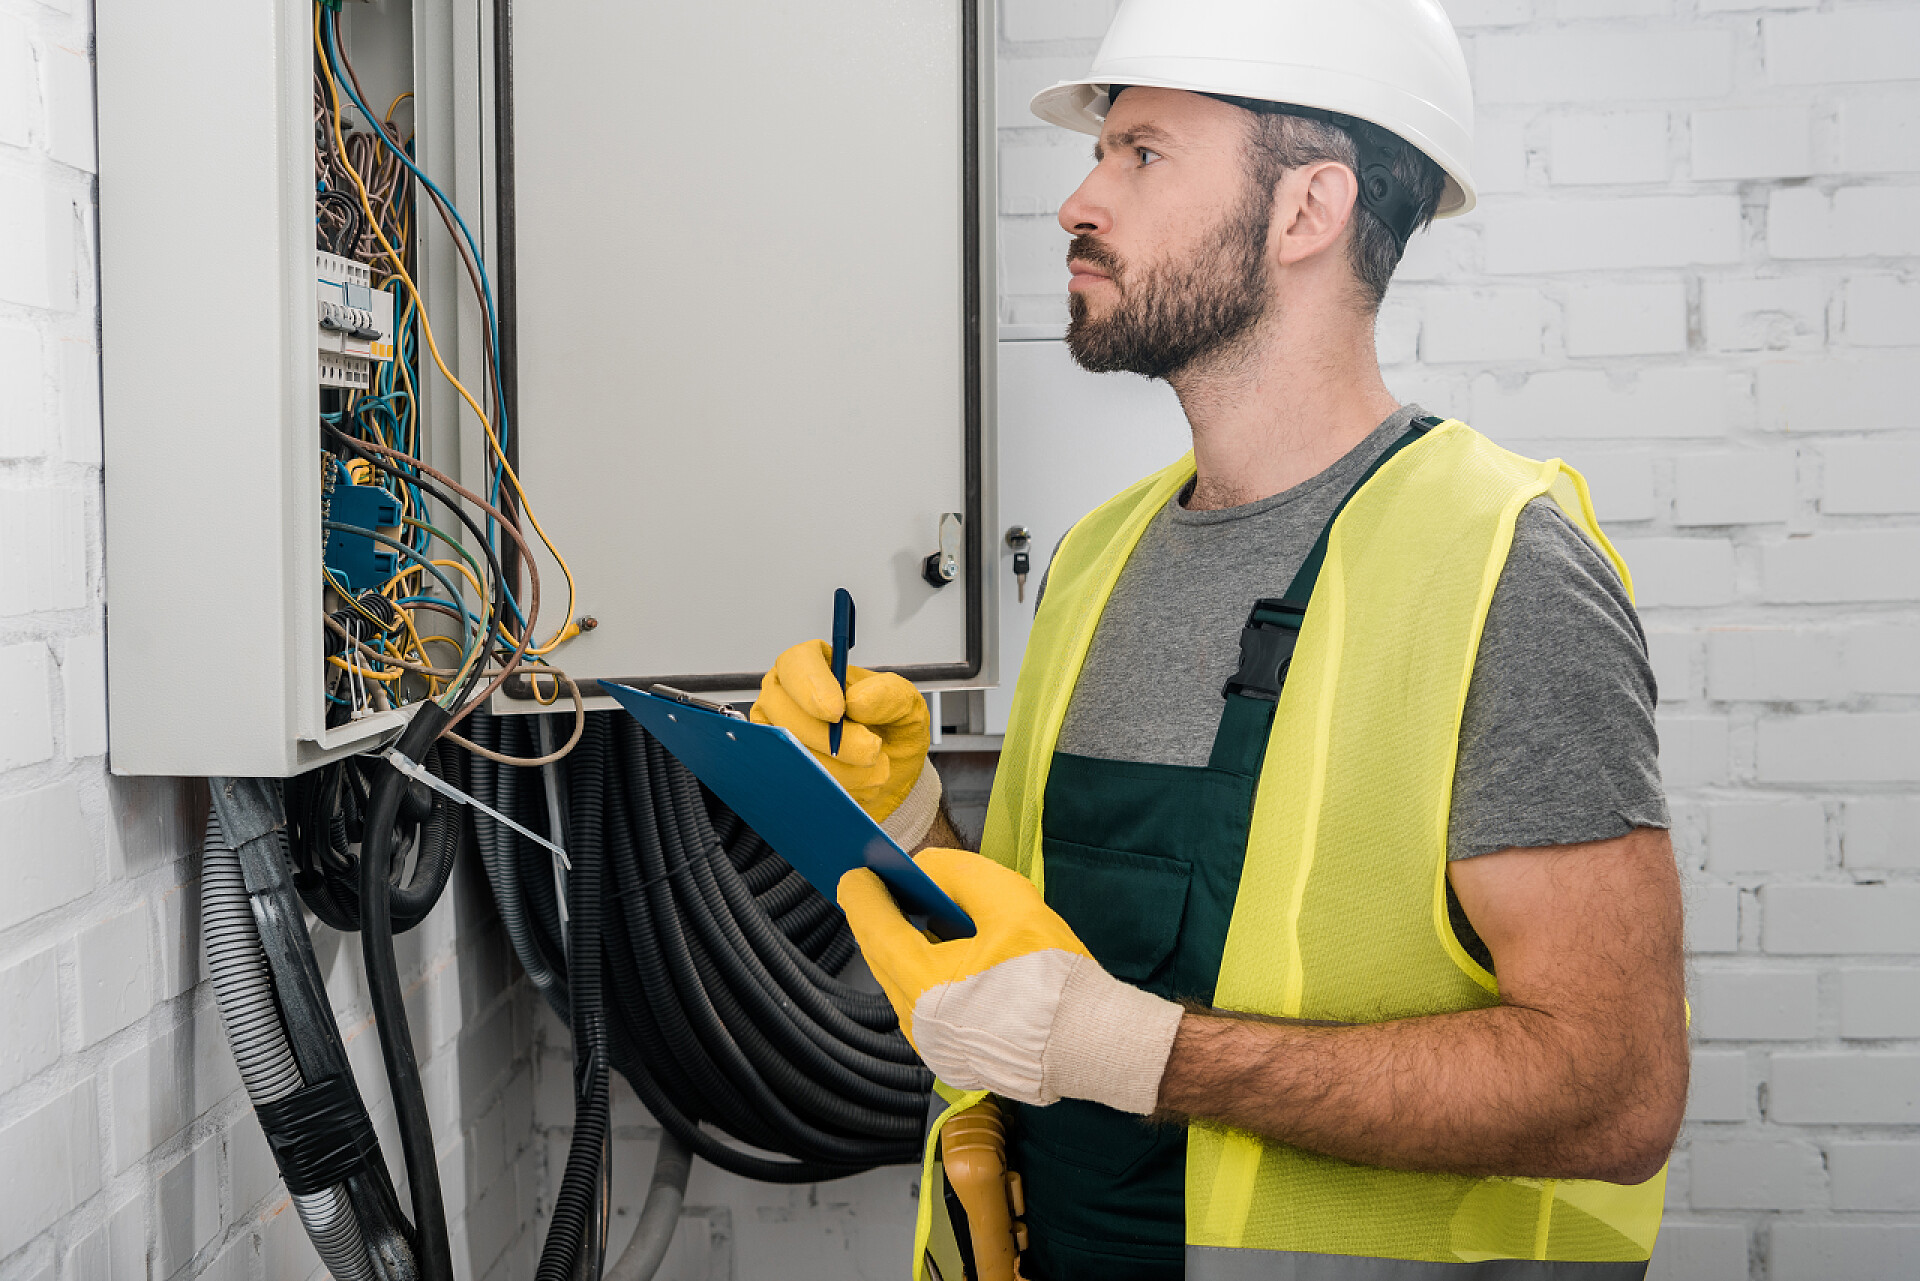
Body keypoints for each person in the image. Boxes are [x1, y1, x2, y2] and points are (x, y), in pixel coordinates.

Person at [753, 2, 1688, 1276]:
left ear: (1307, 211)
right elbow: (1035, 975)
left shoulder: (1501, 569)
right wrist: (902, 821)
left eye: (1142, 154)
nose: (1079, 201)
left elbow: (1615, 1091)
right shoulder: (1099, 555)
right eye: (1102, 154)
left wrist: (1145, 1055)